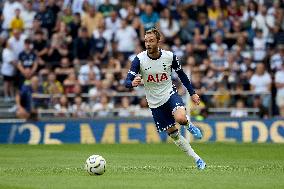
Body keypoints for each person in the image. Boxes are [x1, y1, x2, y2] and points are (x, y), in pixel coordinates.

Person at [124, 28, 206, 170]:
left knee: (180, 118)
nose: (148, 44)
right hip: (155, 103)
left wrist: (192, 93)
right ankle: (197, 159)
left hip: (170, 94)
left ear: (158, 41)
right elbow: (126, 81)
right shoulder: (139, 59)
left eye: (151, 41)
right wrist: (131, 83)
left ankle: (188, 125)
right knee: (174, 135)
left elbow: (182, 76)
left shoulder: (169, 57)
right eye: (146, 41)